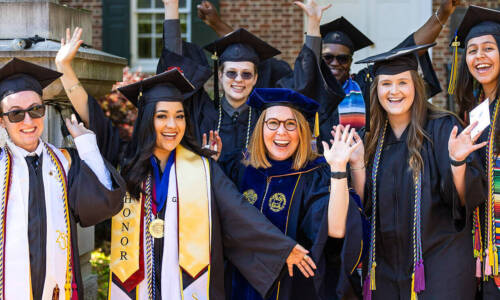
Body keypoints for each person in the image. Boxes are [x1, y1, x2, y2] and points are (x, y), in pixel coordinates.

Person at [56, 34, 317, 297]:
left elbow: (239, 213)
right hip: (138, 283)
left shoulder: (203, 168)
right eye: (162, 116)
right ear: (148, 120)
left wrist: (282, 248)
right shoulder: (129, 163)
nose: (173, 125)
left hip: (190, 284)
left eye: (179, 116)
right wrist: (65, 68)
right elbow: (95, 118)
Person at [350, 44, 487, 299]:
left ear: (416, 86)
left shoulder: (444, 129)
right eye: (386, 84)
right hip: (386, 268)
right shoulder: (369, 140)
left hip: (441, 265)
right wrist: (356, 164)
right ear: (376, 90)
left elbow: (465, 201)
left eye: (402, 82)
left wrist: (457, 162)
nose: (394, 91)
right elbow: (361, 206)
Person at [211, 88, 364, 300]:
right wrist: (207, 166)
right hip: (239, 287)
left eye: (291, 124)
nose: (281, 132)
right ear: (260, 128)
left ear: (302, 130)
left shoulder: (315, 174)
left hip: (294, 290)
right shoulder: (237, 167)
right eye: (272, 123)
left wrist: (338, 168)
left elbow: (336, 231)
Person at [156, 0, 343, 164]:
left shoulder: (268, 118)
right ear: (220, 76)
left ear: (255, 78)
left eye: (246, 74)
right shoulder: (202, 112)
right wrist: (171, 6)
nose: (238, 80)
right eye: (231, 73)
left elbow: (303, 84)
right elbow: (176, 74)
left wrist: (312, 24)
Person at [0, 58, 126, 299]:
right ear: (2, 120)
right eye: (16, 114)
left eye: (36, 110)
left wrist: (87, 145)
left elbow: (105, 203)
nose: (28, 121)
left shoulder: (66, 163)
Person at [317, 0, 461, 132]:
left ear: (350, 61)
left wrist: (442, 14)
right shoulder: (309, 88)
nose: (335, 63)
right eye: (328, 57)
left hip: (361, 159)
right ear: (319, 59)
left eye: (342, 58)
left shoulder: (363, 84)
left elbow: (404, 51)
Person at [448, 5, 500, 298]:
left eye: (488, 48)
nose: (479, 56)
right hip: (487, 250)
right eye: (472, 50)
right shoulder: (475, 111)